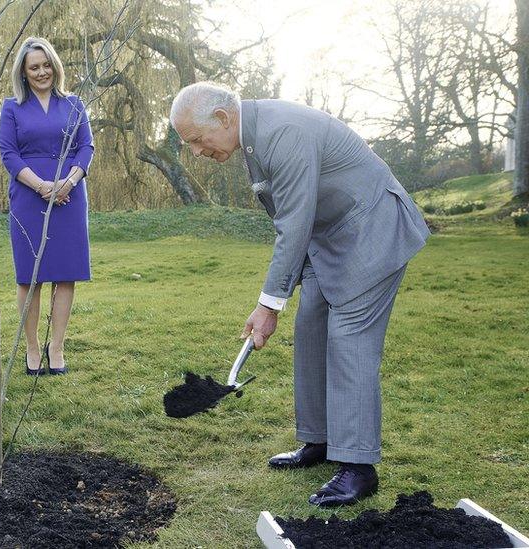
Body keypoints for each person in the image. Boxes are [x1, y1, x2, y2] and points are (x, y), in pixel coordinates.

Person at [169, 82, 430, 507]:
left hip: (371, 230)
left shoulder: (282, 131)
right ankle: (320, 441)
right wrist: (285, 292)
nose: (197, 152)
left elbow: (293, 222)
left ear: (222, 118)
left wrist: (269, 304)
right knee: (311, 326)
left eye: (197, 140)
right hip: (331, 239)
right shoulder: (253, 136)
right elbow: (294, 220)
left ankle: (358, 467)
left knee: (350, 340)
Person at [0, 37, 94, 376]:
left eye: (46, 64)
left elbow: (86, 147)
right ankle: (33, 347)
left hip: (70, 194)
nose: (42, 72)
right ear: (23, 73)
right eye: (33, 67)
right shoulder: (11, 108)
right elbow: (8, 153)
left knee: (65, 274)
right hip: (28, 196)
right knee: (30, 277)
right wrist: (41, 186)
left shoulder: (74, 104)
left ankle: (57, 346)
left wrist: (68, 182)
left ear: (55, 65)